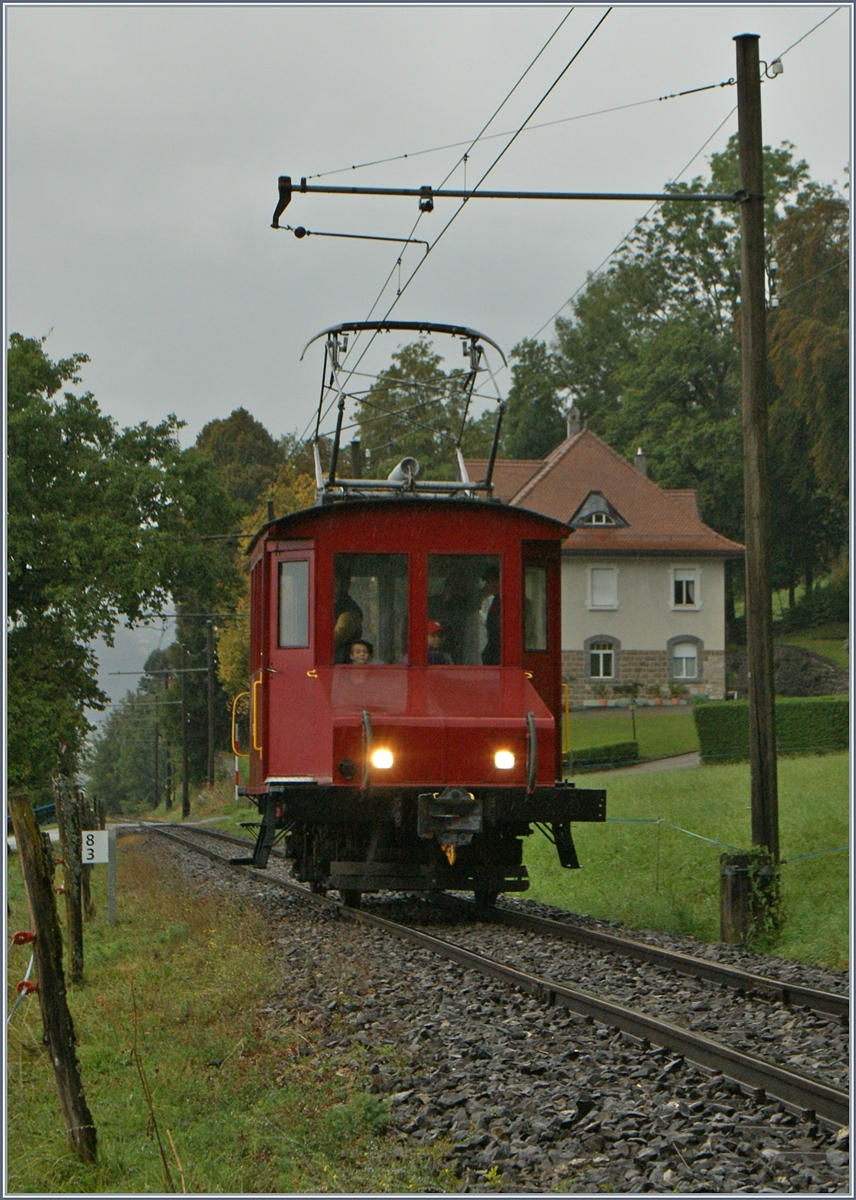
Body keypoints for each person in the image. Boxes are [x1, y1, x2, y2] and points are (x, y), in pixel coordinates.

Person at [334, 564, 363, 663]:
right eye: (336, 581)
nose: (338, 585)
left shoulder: (350, 610)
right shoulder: (329, 604)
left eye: (341, 581)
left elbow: (335, 638)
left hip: (341, 664)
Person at [480, 564, 501, 665]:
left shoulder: (509, 602)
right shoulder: (494, 601)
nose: (491, 585)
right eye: (488, 582)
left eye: (495, 581)